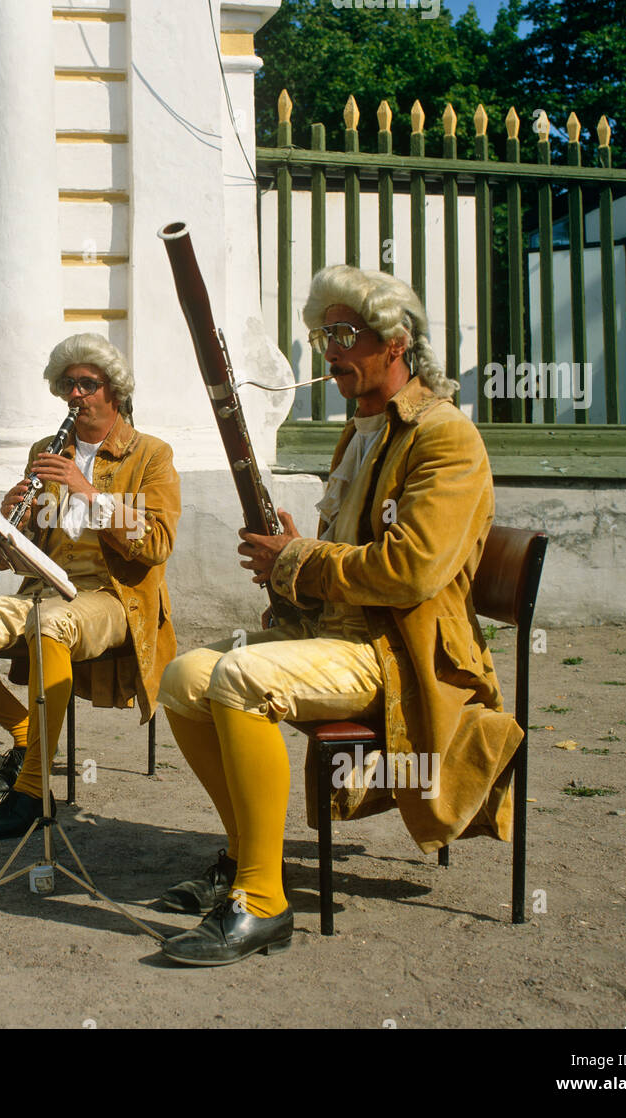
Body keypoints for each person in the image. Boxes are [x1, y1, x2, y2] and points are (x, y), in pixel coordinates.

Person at [156, 266, 523, 966]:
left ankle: (263, 904)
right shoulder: (360, 431)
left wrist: (297, 558)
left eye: (345, 334)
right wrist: (293, 557)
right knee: (183, 676)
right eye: (323, 335)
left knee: (238, 679)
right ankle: (246, 858)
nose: (329, 352)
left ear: (397, 343)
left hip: (402, 656)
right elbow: (347, 553)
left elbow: (409, 569)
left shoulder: (444, 437)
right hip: (338, 636)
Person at [0, 334, 181, 839]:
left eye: (88, 384)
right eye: (68, 385)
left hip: (112, 596)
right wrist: (9, 517)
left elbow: (157, 544)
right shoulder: (46, 449)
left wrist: (89, 492)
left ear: (115, 393)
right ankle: (24, 732)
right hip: (41, 588)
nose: (75, 395)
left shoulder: (150, 454)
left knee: (51, 624)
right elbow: (31, 539)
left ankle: (34, 790)